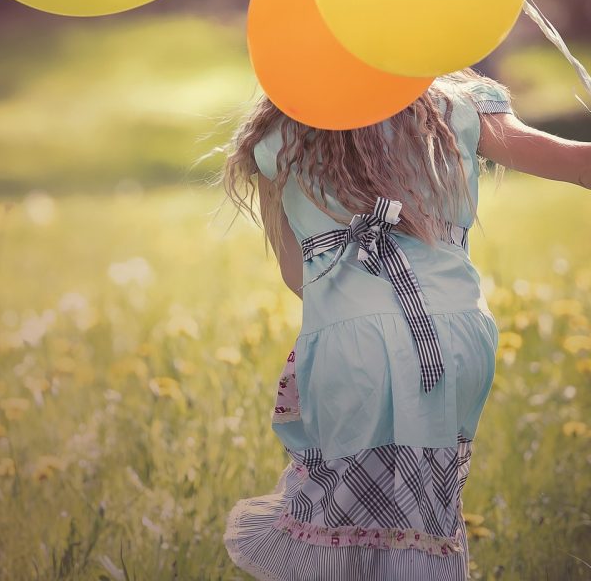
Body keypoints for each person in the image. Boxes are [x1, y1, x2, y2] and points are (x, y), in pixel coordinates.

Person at [218, 67, 591, 581]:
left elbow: (295, 273)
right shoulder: (455, 103)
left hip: (350, 340)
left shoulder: (279, 133)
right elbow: (577, 163)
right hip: (453, 332)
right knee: (425, 516)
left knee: (346, 523)